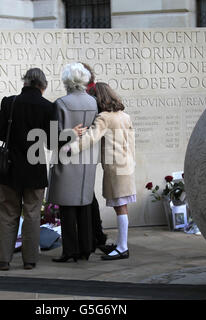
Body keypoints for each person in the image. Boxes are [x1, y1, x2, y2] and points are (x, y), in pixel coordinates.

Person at [0, 68, 55, 271]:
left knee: (9, 214)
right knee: (33, 214)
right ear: (42, 86)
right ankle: (30, 260)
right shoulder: (48, 107)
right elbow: (53, 142)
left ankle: (4, 259)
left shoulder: (10, 102)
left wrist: (14, 139)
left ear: (25, 82)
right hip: (34, 168)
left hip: (10, 168)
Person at [71, 82, 136, 260]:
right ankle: (122, 245)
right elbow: (131, 143)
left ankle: (123, 247)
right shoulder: (124, 116)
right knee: (121, 206)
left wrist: (71, 148)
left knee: (120, 206)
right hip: (126, 164)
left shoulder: (104, 117)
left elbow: (91, 138)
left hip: (115, 167)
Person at [47, 62, 98, 262]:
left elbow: (52, 139)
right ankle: (86, 248)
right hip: (87, 160)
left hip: (67, 158)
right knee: (84, 204)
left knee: (68, 208)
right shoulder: (94, 103)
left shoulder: (60, 104)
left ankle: (70, 251)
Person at [80, 62, 114, 255]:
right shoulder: (94, 91)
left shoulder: (93, 94)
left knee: (88, 195)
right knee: (88, 193)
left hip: (90, 146)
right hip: (92, 147)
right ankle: (95, 235)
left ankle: (95, 236)